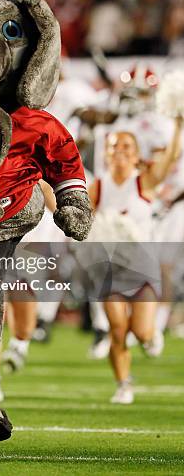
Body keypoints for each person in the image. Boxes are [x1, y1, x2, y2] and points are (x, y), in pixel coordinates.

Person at [88, 120, 182, 404]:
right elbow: (80, 219)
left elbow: (168, 160)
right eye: (114, 146)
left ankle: (150, 336)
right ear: (106, 152)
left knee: (140, 332)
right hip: (110, 270)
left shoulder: (145, 181)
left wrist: (177, 125)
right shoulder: (98, 186)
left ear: (136, 153)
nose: (119, 151)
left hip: (143, 270)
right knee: (117, 330)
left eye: (126, 146)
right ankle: (123, 384)